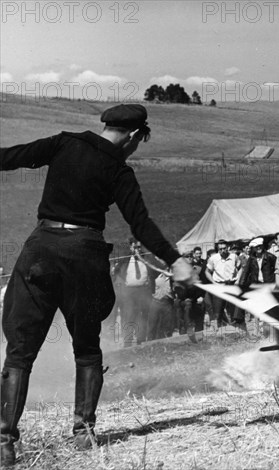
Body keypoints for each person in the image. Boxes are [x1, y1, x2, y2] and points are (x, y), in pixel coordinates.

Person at [0, 104, 192, 465]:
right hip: (84, 257)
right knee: (87, 350)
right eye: (138, 142)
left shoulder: (62, 143)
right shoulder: (119, 169)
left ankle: (4, 443)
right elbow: (141, 224)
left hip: (40, 250)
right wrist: (175, 260)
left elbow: (9, 157)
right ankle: (83, 434)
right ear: (134, 135)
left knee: (19, 353)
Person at [113, 238, 152, 347]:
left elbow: (152, 271)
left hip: (143, 291)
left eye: (139, 247)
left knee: (142, 317)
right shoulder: (125, 259)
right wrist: (122, 283)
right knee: (129, 316)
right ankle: (128, 342)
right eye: (135, 247)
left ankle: (141, 341)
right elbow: (116, 272)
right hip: (129, 292)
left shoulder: (146, 258)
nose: (138, 250)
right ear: (131, 247)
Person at [205, 240, 240, 327]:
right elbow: (207, 272)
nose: (222, 251)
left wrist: (238, 279)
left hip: (231, 284)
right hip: (219, 285)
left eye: (224, 248)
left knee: (234, 310)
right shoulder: (213, 259)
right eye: (220, 249)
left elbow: (241, 267)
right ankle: (218, 331)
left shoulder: (234, 256)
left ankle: (236, 329)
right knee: (218, 310)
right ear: (218, 249)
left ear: (228, 248)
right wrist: (213, 282)